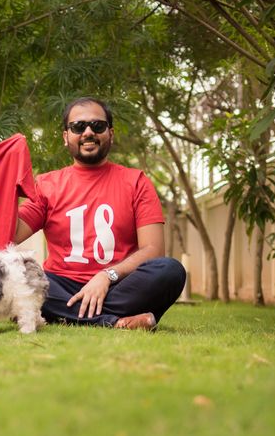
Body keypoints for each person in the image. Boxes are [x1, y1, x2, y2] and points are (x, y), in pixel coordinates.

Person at [15, 97, 186, 331]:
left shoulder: (136, 182)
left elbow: (153, 250)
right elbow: (11, 235)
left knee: (170, 271)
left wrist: (107, 276)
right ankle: (113, 321)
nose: (88, 132)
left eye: (98, 126)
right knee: (20, 273)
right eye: (78, 127)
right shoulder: (46, 184)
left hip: (120, 284)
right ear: (66, 137)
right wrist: (4, 189)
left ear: (111, 133)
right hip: (61, 286)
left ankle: (64, 315)